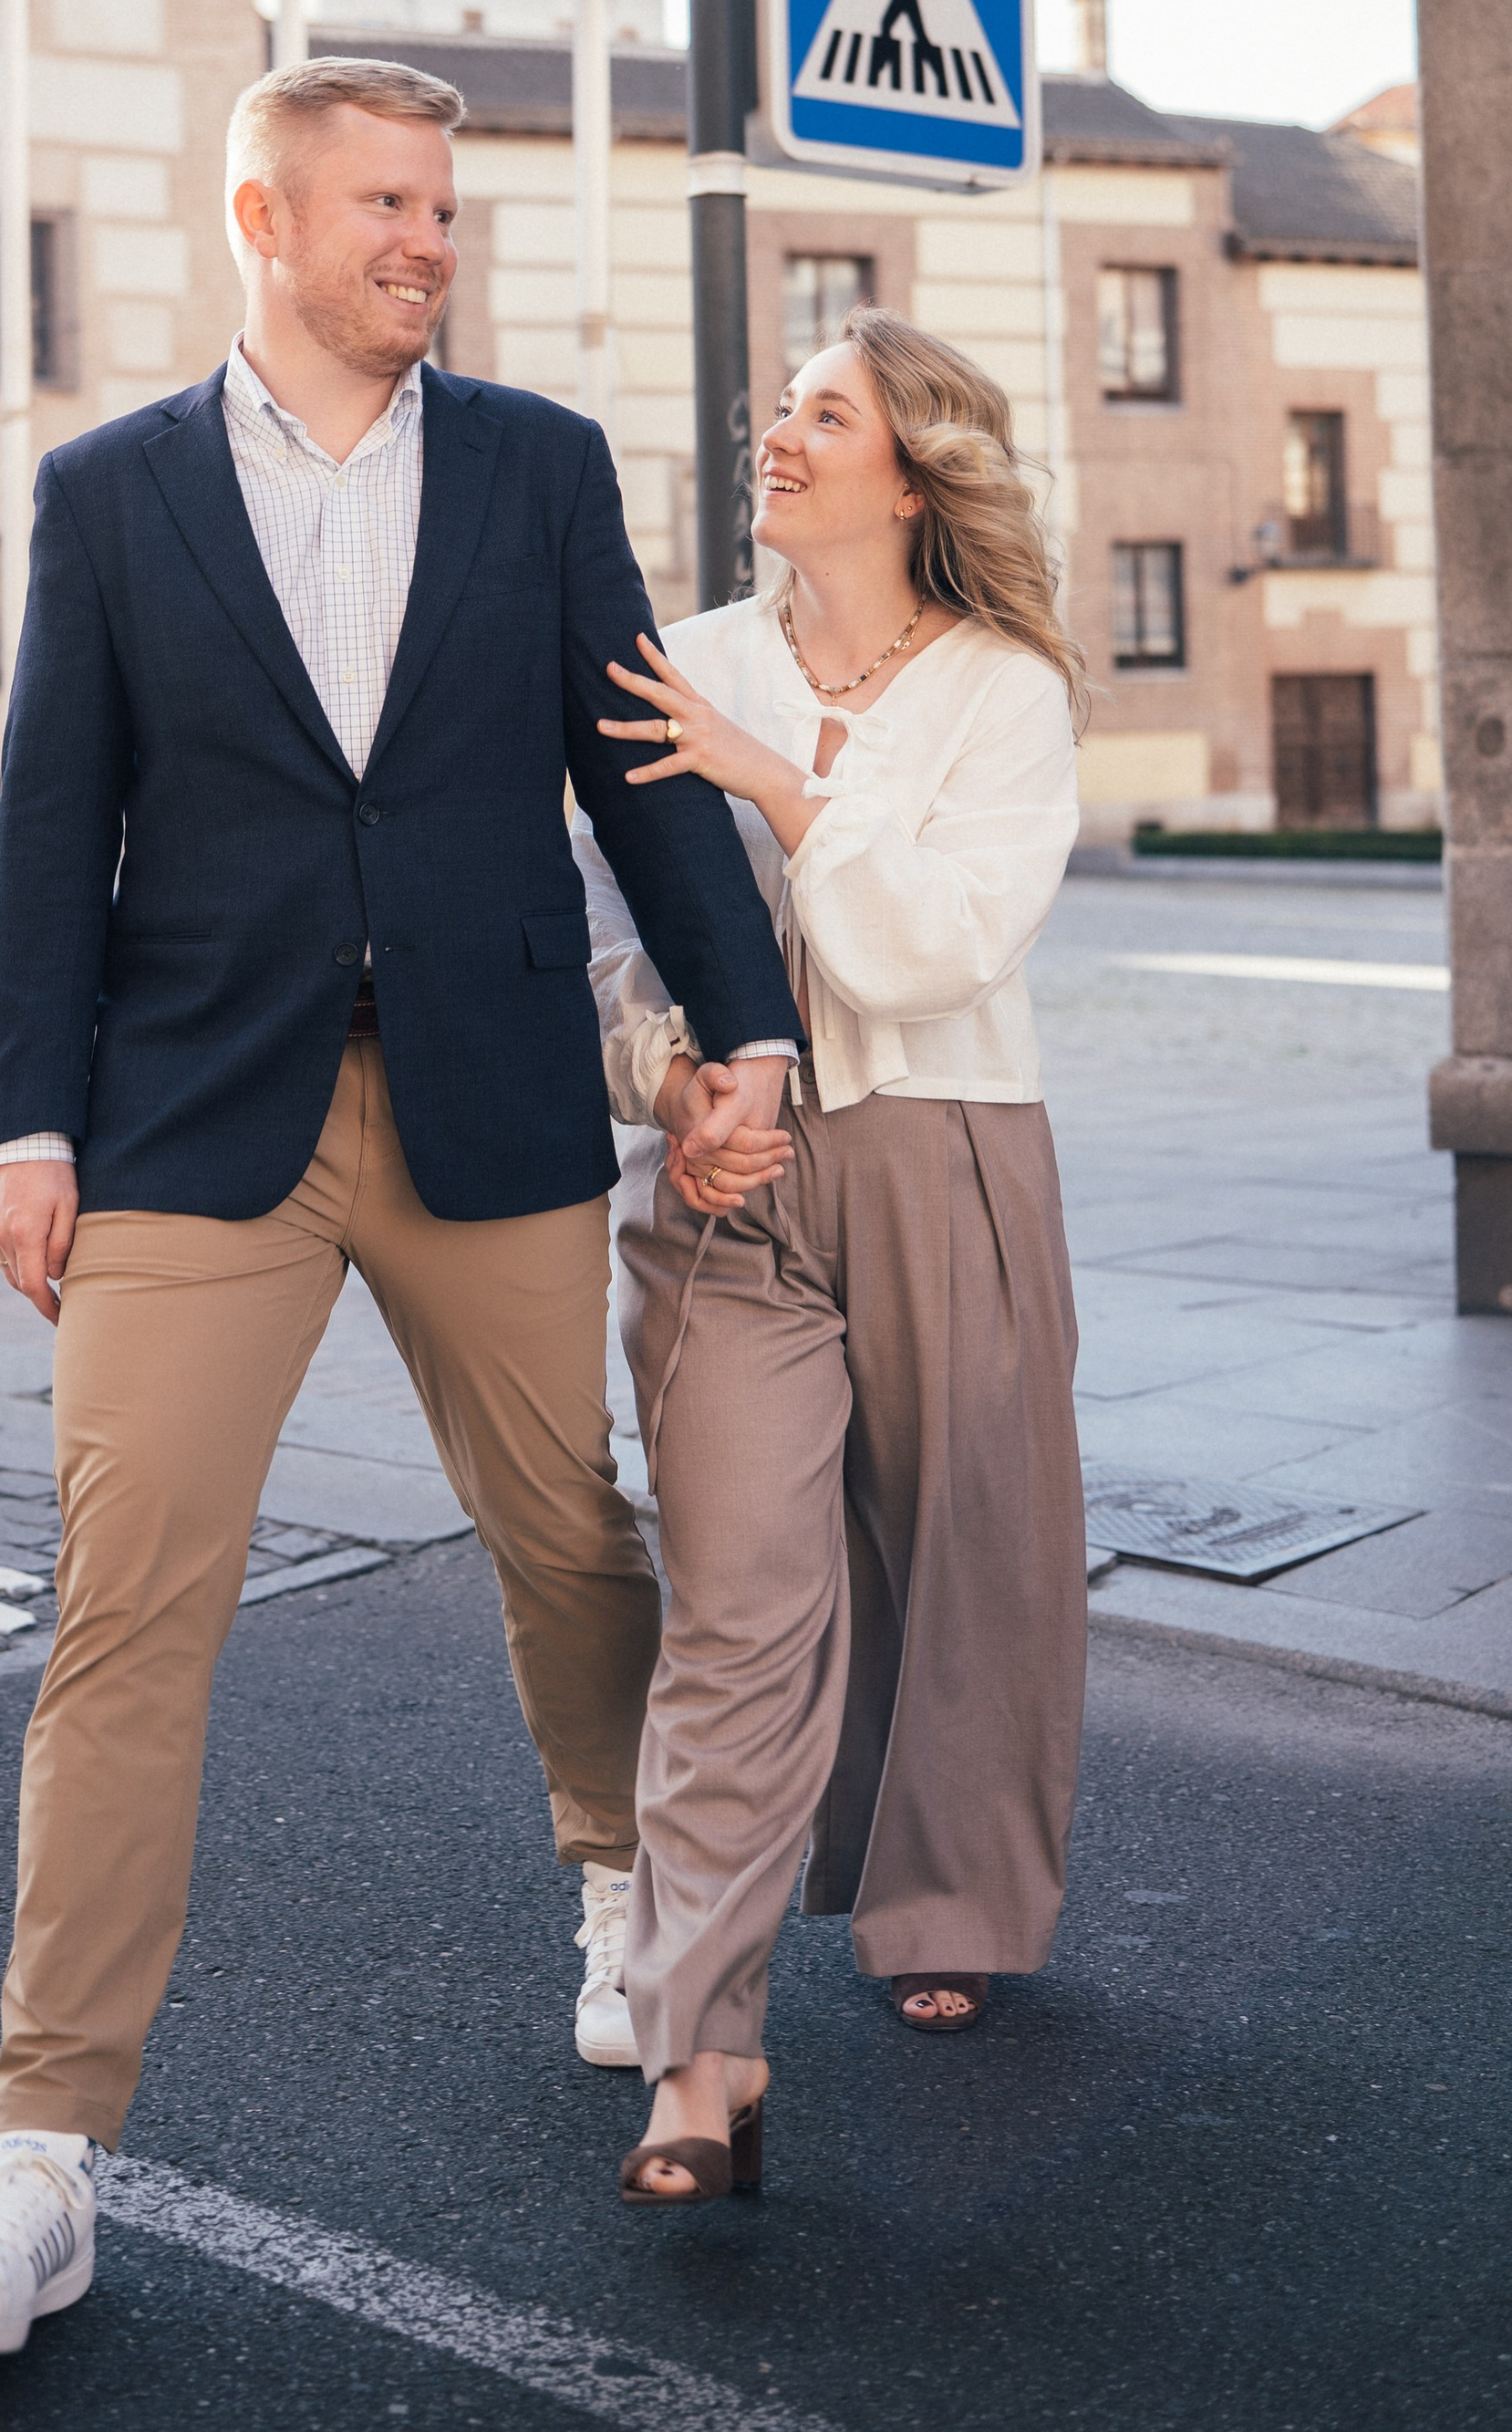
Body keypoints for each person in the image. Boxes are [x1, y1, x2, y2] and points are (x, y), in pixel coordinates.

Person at [0, 56, 801, 2355]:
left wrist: (746, 1025)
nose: (427, 236)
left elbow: (645, 768)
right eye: (383, 200)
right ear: (259, 220)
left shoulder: (536, 465)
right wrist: (24, 1117)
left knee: (564, 1528)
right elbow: (50, 819)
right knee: (124, 1603)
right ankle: (37, 2154)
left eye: (440, 203)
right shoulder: (108, 494)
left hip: (483, 1100)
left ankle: (614, 1880)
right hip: (201, 1122)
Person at [575, 307, 1087, 2206]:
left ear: (911, 464)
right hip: (723, 1182)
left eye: (817, 411)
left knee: (964, 1537)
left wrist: (777, 781)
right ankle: (698, 2045)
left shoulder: (1004, 691)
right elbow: (609, 932)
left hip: (946, 1144)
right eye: (773, 406)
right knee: (731, 1594)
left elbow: (934, 947)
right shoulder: (681, 664)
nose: (771, 435)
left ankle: (945, 1889)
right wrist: (669, 1083)